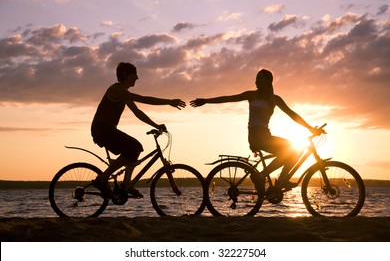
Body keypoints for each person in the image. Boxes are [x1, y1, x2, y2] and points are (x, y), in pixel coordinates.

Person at [190, 69, 324, 194]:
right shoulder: (251, 95)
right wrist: (206, 101)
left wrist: (310, 128)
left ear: (268, 82)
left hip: (266, 136)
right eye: (256, 79)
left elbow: (292, 114)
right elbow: (228, 98)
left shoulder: (274, 99)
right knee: (293, 150)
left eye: (260, 79)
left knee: (294, 149)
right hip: (256, 137)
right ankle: (265, 176)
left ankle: (279, 178)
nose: (256, 82)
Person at [91, 62, 186, 198]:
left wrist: (156, 125)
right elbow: (144, 99)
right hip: (102, 130)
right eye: (134, 74)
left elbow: (138, 113)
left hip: (108, 130)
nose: (137, 77)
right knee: (130, 150)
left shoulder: (124, 94)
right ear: (125, 75)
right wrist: (169, 101)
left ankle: (126, 185)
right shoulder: (116, 90)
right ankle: (102, 179)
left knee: (137, 147)